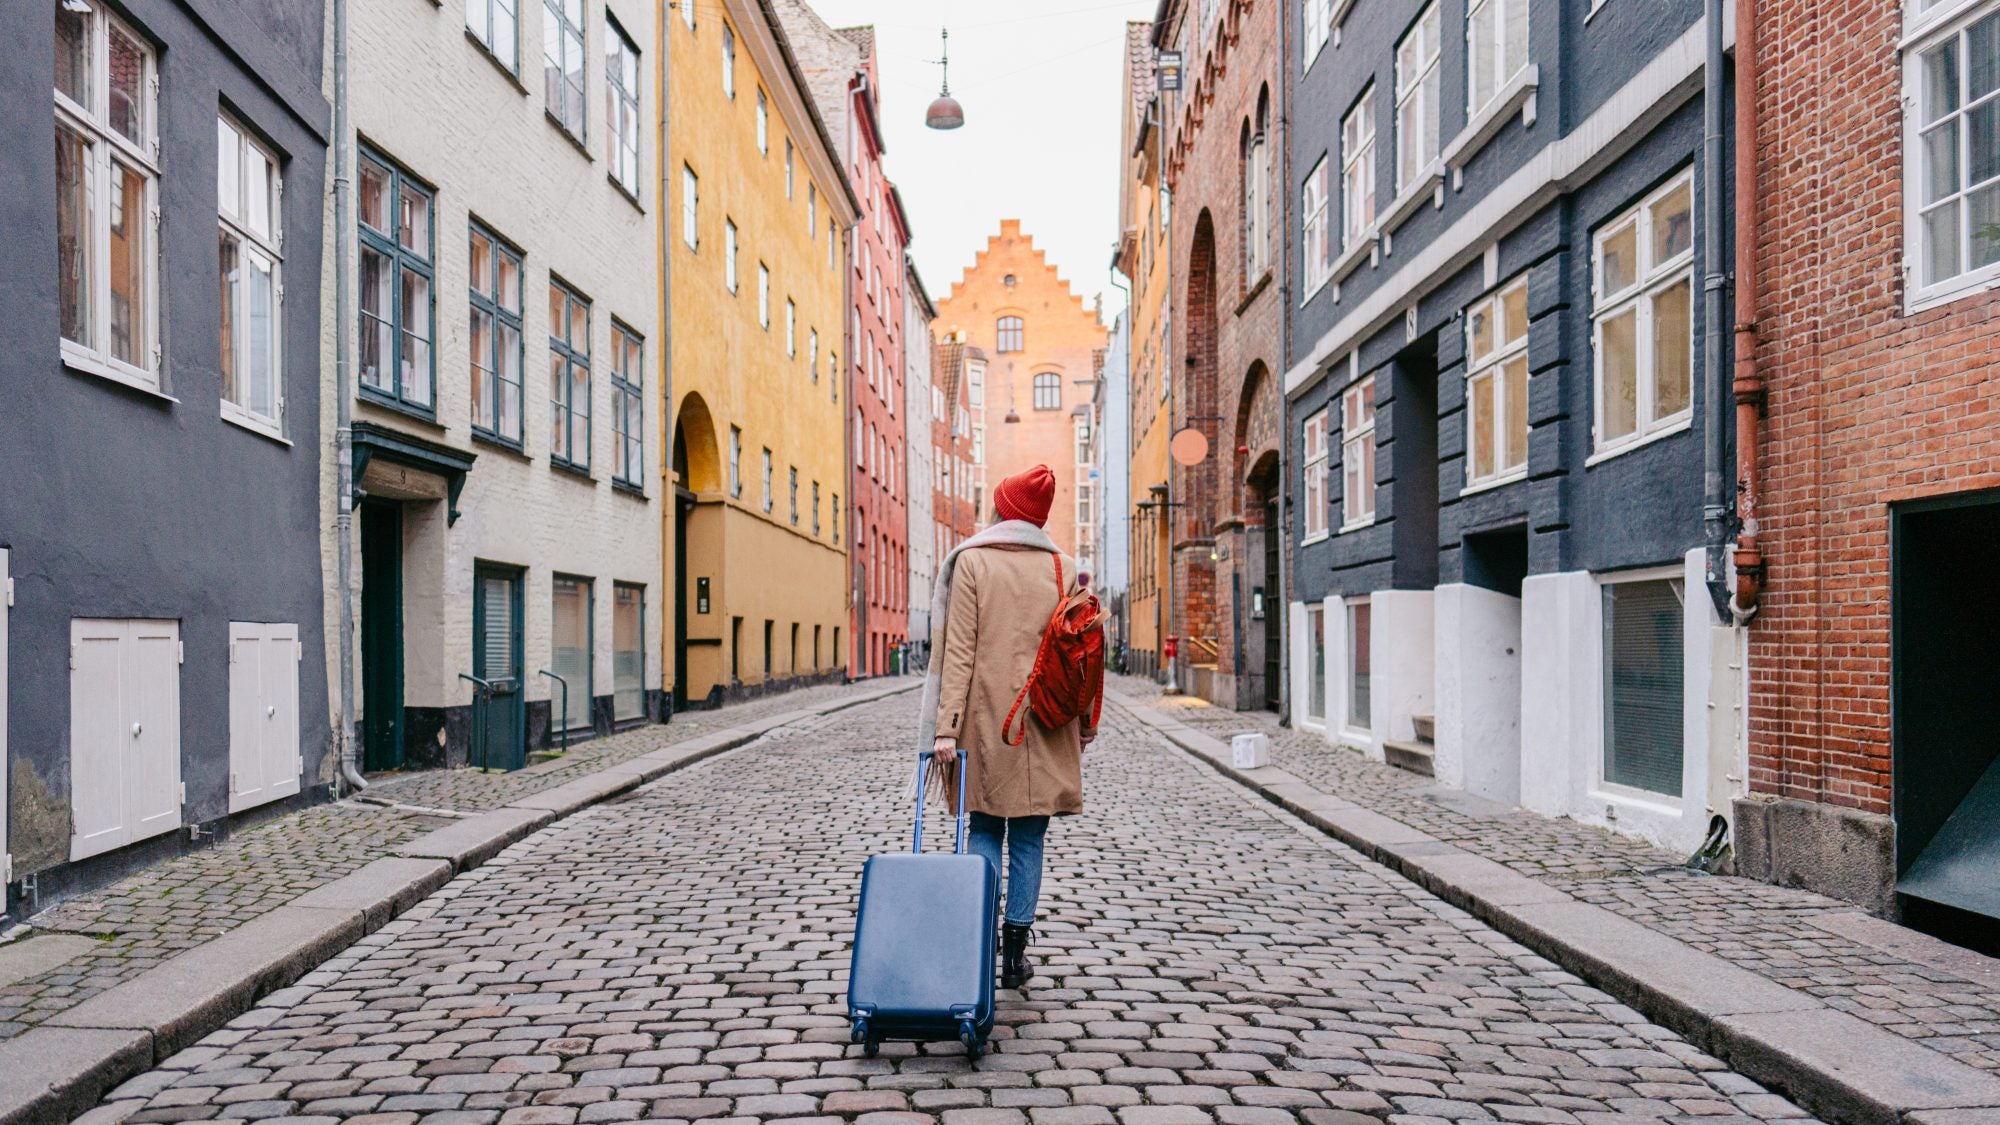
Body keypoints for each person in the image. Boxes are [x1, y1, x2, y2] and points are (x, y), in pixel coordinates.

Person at [918, 464, 1102, 991]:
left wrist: (945, 728)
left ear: (1003, 509)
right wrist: (1086, 722)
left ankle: (978, 938)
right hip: (1045, 721)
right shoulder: (1063, 567)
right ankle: (1015, 953)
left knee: (982, 829)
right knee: (1028, 837)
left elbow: (959, 653)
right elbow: (1083, 652)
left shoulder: (972, 561)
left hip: (984, 721)